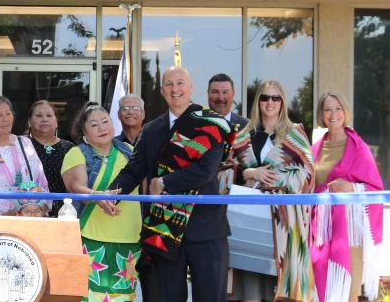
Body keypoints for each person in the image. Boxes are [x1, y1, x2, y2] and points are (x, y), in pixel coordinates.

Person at [104, 66, 232, 302]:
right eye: (169, 84)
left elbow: (206, 170)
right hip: (162, 230)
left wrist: (165, 181)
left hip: (206, 229)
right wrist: (110, 194)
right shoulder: (151, 129)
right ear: (162, 90)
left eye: (181, 83)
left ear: (191, 87)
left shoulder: (211, 124)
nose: (175, 89)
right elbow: (133, 171)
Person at [230, 80, 317, 302]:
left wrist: (274, 178)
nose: (270, 102)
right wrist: (250, 174)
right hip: (247, 219)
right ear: (258, 101)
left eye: (275, 98)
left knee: (279, 285)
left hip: (284, 220)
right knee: (250, 284)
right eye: (265, 97)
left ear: (282, 102)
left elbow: (308, 175)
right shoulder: (242, 135)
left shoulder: (295, 134)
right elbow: (225, 172)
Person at [61, 102, 139, 302]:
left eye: (105, 121)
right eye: (94, 125)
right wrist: (97, 196)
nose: (102, 127)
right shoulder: (76, 153)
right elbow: (76, 186)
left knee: (123, 297)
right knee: (88, 296)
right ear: (84, 133)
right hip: (91, 237)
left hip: (129, 239)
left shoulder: (130, 151)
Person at [310, 91, 384, 302]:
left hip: (349, 231)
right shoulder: (314, 149)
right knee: (320, 285)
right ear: (321, 115)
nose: (333, 114)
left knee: (347, 290)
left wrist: (351, 188)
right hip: (320, 231)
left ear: (345, 112)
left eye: (338, 109)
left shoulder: (359, 148)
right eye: (327, 109)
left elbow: (375, 189)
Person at [27, 100, 74, 217]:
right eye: (39, 116)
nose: (44, 119)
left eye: (49, 115)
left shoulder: (69, 148)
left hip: (63, 211)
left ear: (56, 122)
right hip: (29, 211)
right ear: (29, 122)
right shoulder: (21, 145)